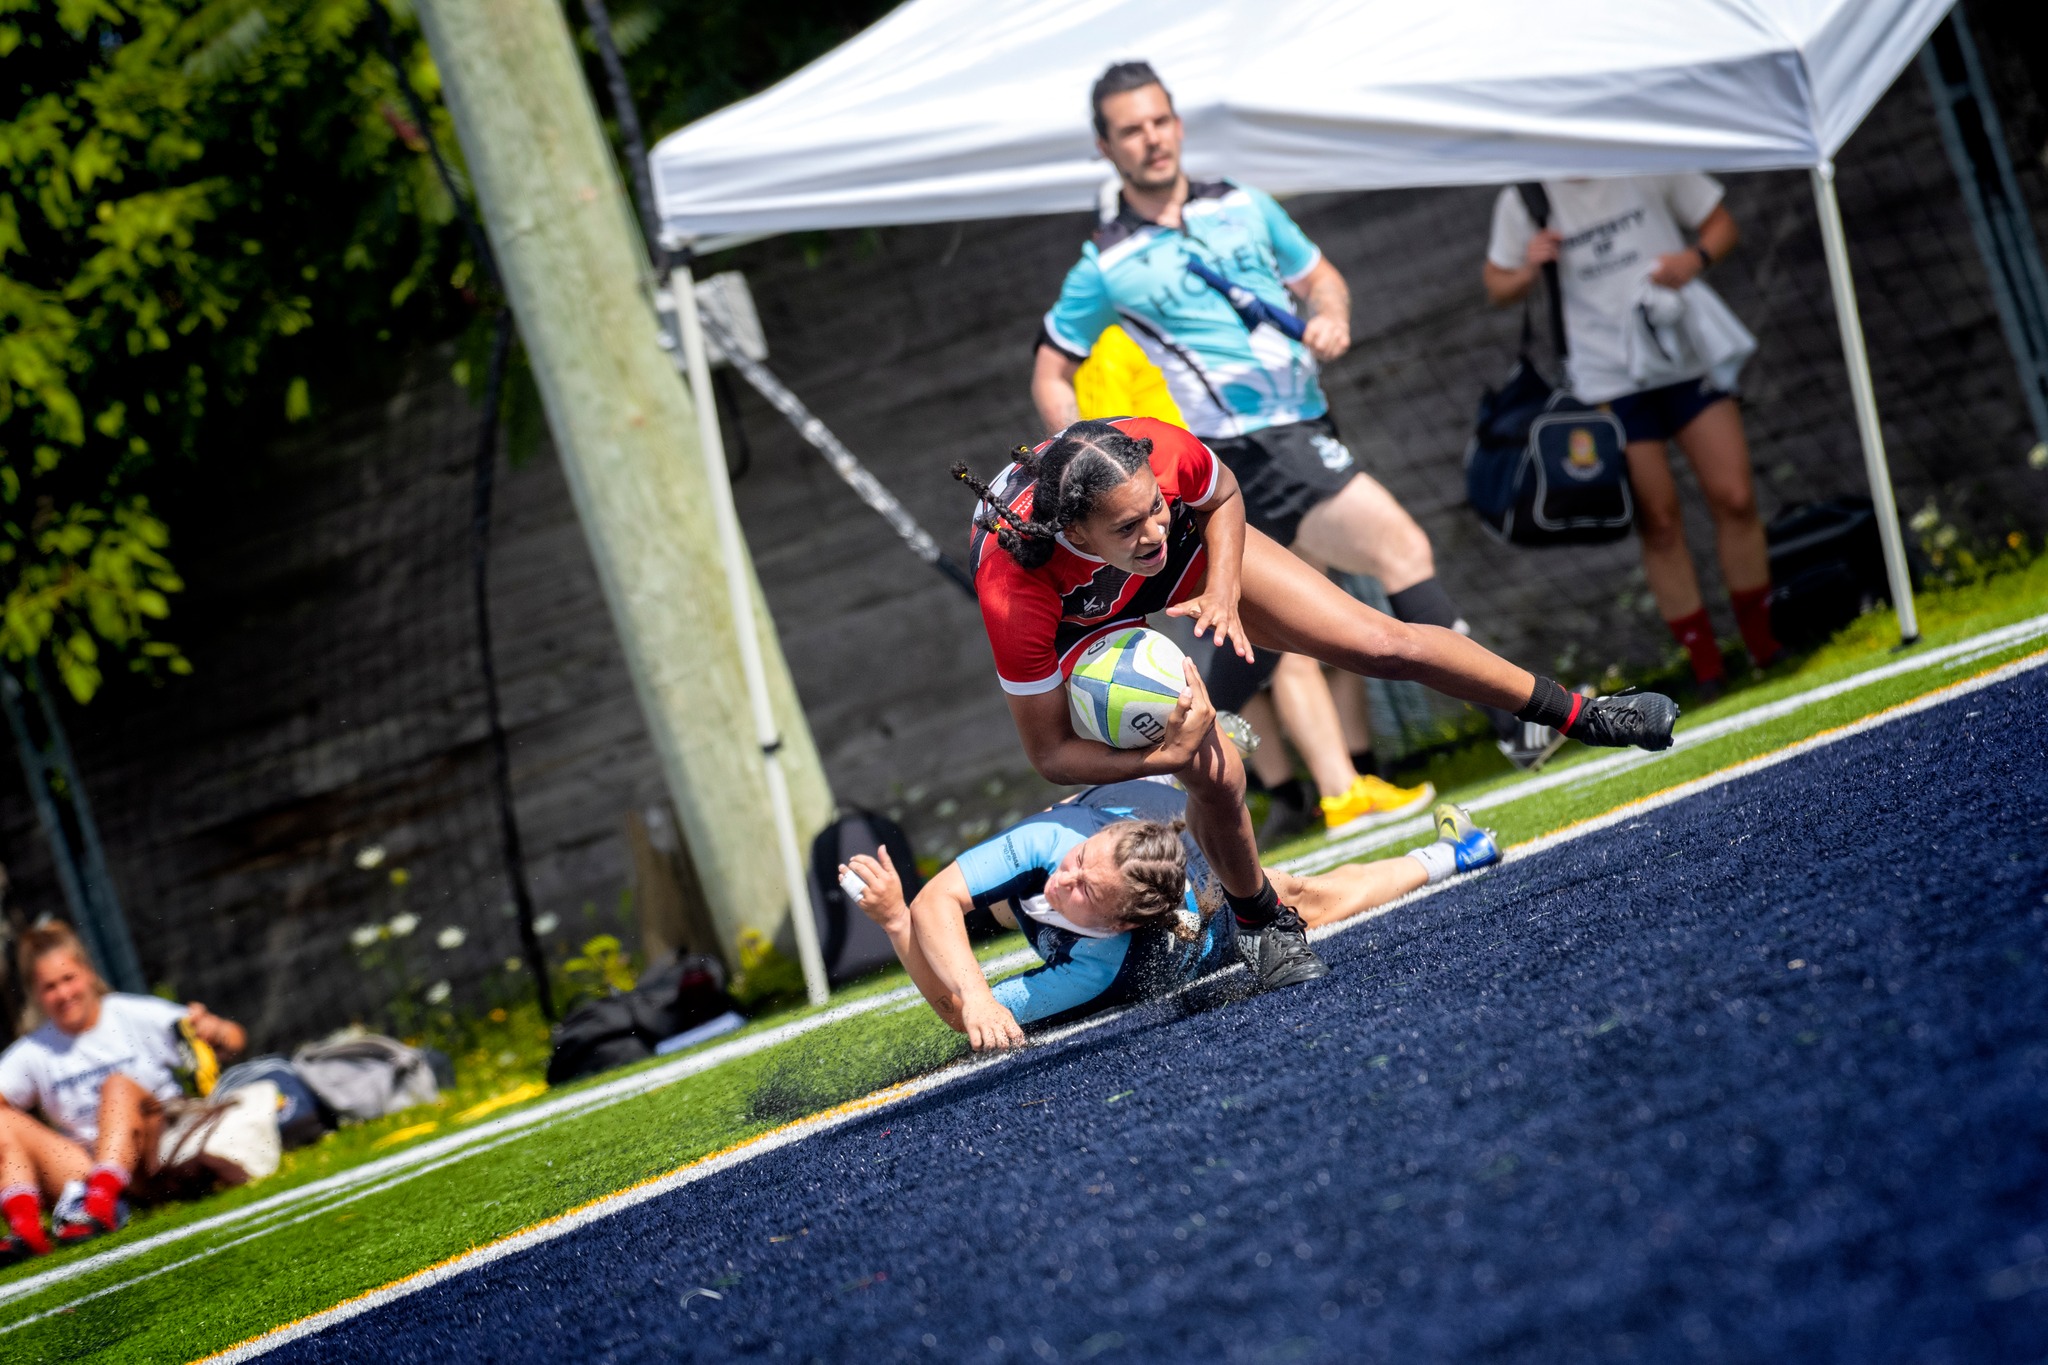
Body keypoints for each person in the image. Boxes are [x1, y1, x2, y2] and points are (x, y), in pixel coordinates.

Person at [951, 415, 1680, 995]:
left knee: (1384, 643)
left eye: (1154, 507)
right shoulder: (1015, 588)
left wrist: (1225, 589)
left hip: (1182, 561)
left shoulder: (1162, 461)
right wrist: (1163, 754)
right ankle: (1262, 923)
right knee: (1216, 770)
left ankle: (1584, 714)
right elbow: (1047, 753)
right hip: (1086, 631)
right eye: (1128, 525)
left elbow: (1222, 496)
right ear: (1076, 533)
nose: (1151, 529)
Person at [1032, 60, 1544, 779]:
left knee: (1258, 631)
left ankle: (1158, 755)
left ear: (1177, 124)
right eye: (1130, 131)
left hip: (1310, 421)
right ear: (1104, 147)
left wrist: (1330, 314)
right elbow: (1051, 367)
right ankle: (1516, 720)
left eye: (1159, 122)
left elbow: (1319, 276)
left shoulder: (1244, 203)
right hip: (1252, 447)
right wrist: (1078, 468)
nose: (1151, 140)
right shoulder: (1107, 263)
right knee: (1402, 548)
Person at [841, 779, 1500, 1050]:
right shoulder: (1056, 843)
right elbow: (940, 900)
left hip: (1200, 895)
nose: (1063, 876)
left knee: (1302, 896)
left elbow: (961, 1019)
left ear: (1122, 923)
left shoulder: (1099, 966)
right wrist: (915, 919)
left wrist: (901, 928)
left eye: (1082, 890)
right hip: (1148, 802)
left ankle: (1456, 850)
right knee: (1042, 846)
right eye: (1076, 864)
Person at [1483, 175, 1782, 699]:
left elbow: (1720, 224)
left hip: (1685, 359)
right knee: (1659, 522)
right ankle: (1708, 669)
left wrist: (1694, 261)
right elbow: (1496, 284)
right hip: (1607, 383)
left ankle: (1764, 645)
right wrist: (1529, 267)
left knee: (1735, 497)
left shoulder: (1638, 154)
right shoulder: (1525, 196)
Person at [0, 921, 246, 1259]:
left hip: (152, 1156)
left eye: (68, 979)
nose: (63, 994)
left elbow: (234, 1038)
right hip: (84, 1174)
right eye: (50, 987)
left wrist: (213, 1028)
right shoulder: (35, 1048)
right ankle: (26, 1230)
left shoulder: (131, 1013)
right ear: (36, 994)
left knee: (118, 1086)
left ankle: (103, 1203)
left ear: (87, 973)